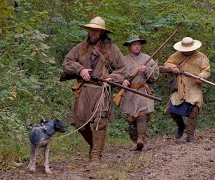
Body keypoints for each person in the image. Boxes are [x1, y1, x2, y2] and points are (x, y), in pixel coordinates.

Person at [62, 16, 126, 167]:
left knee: (99, 123)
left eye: (96, 30)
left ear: (102, 32)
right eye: (91, 29)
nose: (93, 32)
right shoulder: (80, 48)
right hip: (84, 90)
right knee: (79, 124)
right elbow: (67, 63)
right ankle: (94, 146)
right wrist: (80, 69)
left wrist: (112, 78)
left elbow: (122, 69)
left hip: (102, 90)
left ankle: (96, 155)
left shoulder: (112, 49)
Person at [163, 37, 210, 143]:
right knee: (172, 110)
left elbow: (206, 70)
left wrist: (202, 75)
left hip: (194, 87)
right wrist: (173, 68)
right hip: (179, 86)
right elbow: (167, 63)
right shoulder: (177, 55)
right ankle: (181, 126)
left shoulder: (201, 57)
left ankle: (190, 136)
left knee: (194, 111)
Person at [119, 35, 159, 150]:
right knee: (130, 118)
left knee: (143, 115)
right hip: (129, 92)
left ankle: (141, 139)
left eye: (138, 44)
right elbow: (118, 74)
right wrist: (123, 80)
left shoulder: (148, 58)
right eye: (134, 44)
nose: (137, 46)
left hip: (142, 90)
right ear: (129, 47)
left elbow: (155, 75)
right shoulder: (123, 60)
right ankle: (135, 141)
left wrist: (146, 70)